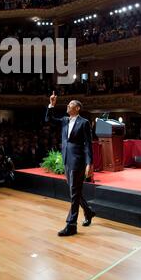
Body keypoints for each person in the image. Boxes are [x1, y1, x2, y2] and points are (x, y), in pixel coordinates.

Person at [45, 92, 95, 236]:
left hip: (78, 161)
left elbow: (88, 145)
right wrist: (51, 105)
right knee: (75, 191)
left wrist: (89, 163)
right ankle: (89, 211)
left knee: (74, 192)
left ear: (78, 108)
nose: (68, 105)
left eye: (71, 104)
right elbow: (48, 119)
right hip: (67, 159)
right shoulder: (65, 120)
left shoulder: (84, 122)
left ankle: (71, 224)